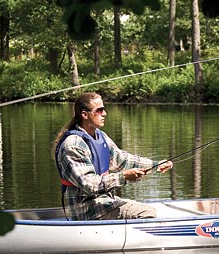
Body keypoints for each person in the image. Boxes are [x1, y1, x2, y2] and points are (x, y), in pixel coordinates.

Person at [53, 92, 173, 221]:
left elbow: (122, 160)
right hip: (86, 210)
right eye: (99, 110)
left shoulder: (100, 136)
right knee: (147, 212)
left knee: (144, 208)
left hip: (104, 202)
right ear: (84, 114)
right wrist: (124, 177)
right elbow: (89, 184)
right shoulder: (73, 145)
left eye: (104, 109)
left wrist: (156, 164)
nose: (104, 113)